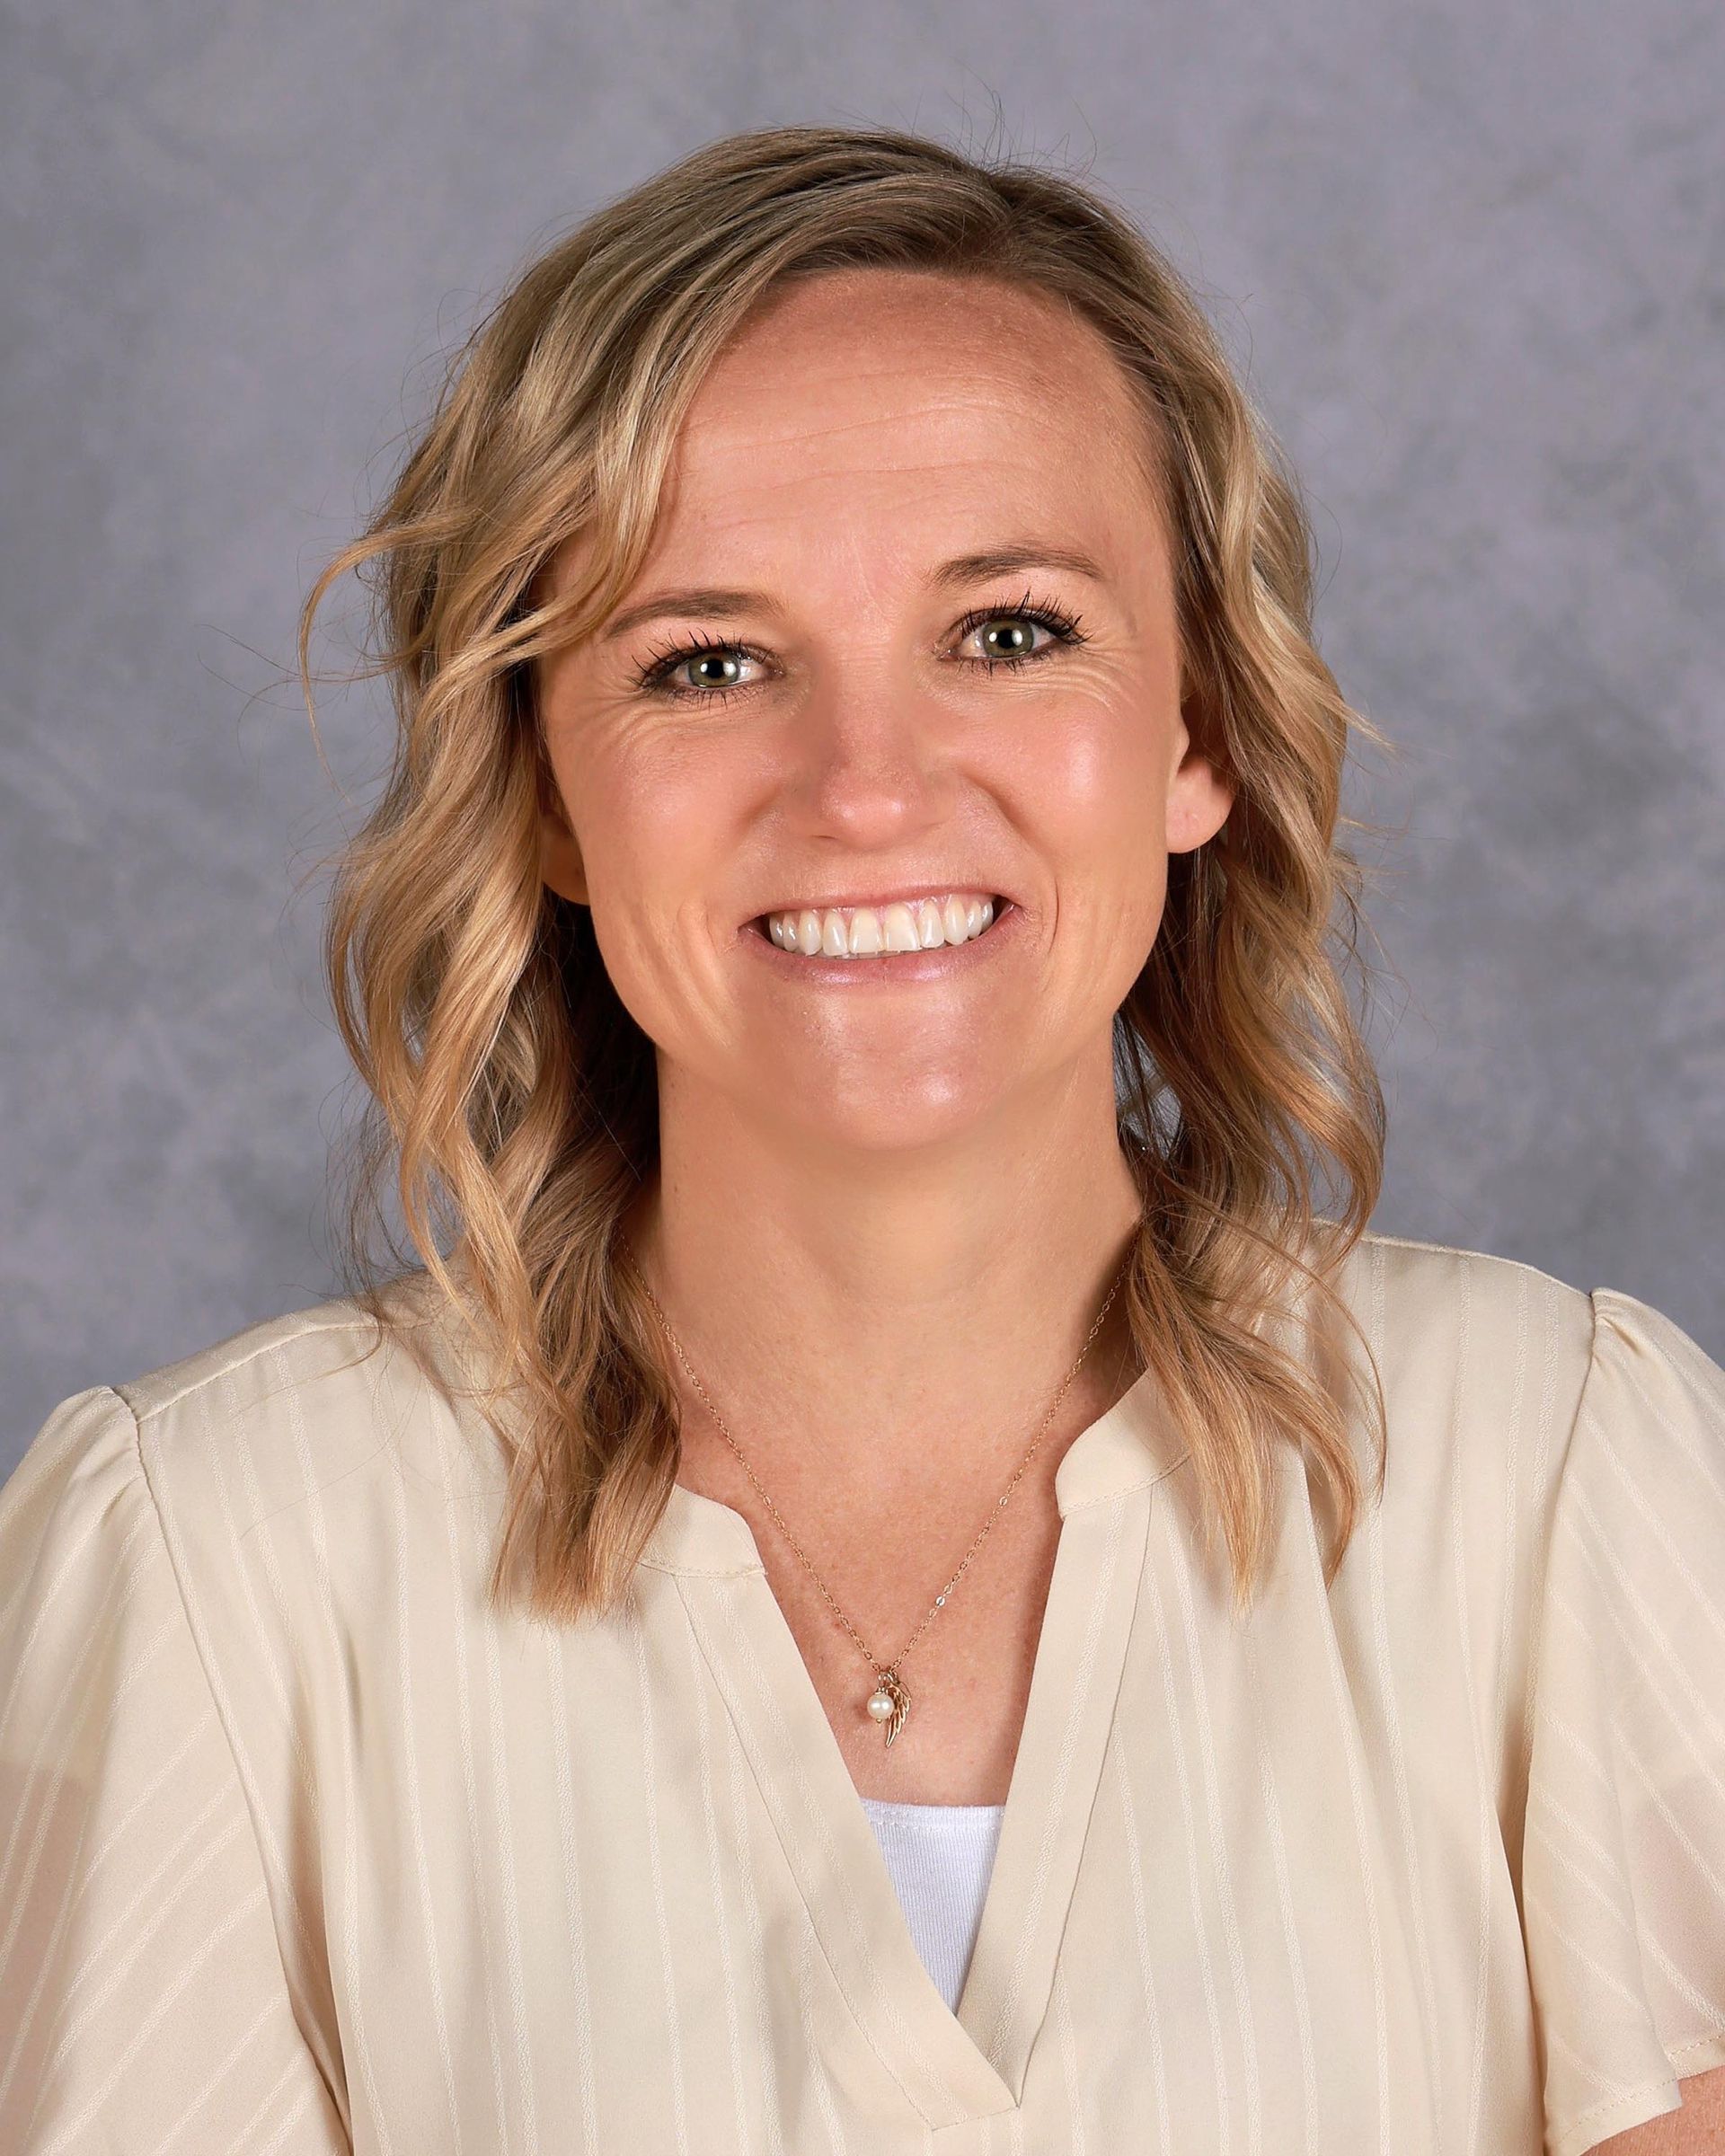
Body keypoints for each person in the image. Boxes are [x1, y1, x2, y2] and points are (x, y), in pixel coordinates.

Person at [1, 121, 1721, 2156]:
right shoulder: (210, 1567)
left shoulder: (1565, 1478)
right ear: (542, 792)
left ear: (1200, 734)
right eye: (708, 662)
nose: (868, 791)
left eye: (1009, 632)